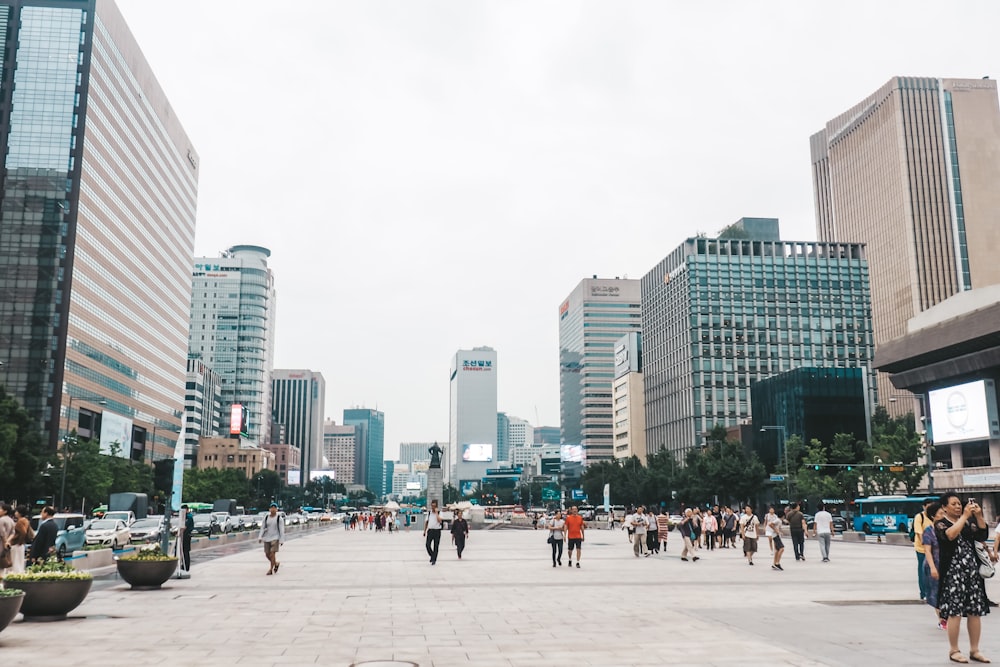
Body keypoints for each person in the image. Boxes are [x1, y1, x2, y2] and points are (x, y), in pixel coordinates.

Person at [935, 493, 989, 664]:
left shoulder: (969, 522)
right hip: (953, 573)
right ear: (944, 507)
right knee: (955, 611)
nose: (958, 506)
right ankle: (954, 650)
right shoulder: (941, 523)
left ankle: (974, 649)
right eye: (953, 504)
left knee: (975, 611)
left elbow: (982, 534)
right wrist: (965, 515)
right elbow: (950, 535)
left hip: (972, 573)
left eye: (959, 504)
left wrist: (978, 515)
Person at [922, 502, 947, 630]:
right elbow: (927, 551)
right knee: (936, 593)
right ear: (933, 516)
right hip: (934, 565)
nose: (943, 515)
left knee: (946, 593)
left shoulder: (946, 529)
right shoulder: (929, 531)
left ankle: (946, 618)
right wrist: (932, 567)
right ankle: (942, 620)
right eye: (941, 513)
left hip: (946, 565)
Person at [913, 497, 935, 602]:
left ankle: (932, 592)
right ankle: (924, 593)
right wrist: (926, 545)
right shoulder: (919, 517)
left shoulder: (935, 516)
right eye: (928, 507)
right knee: (923, 571)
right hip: (921, 549)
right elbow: (919, 532)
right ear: (924, 507)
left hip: (934, 549)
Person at [257, 502, 285, 575]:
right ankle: (276, 563)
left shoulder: (279, 518)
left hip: (275, 538)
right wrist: (260, 537)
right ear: (269, 509)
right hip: (267, 538)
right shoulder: (266, 518)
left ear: (276, 509)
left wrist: (281, 540)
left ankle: (271, 569)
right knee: (267, 554)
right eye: (271, 508)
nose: (273, 509)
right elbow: (262, 528)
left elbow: (282, 530)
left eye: (274, 508)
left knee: (272, 554)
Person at [7, 505, 30, 573]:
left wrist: (19, 541)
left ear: (20, 513)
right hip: (21, 544)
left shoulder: (20, 522)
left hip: (16, 544)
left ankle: (15, 574)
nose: (15, 513)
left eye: (16, 511)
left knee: (15, 561)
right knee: (20, 561)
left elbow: (23, 532)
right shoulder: (26, 520)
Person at [765, 506, 785, 570]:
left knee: (777, 550)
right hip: (776, 536)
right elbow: (770, 524)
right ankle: (777, 563)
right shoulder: (778, 520)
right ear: (783, 516)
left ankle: (774, 563)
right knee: (781, 549)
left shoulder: (779, 520)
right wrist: (776, 530)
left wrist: (780, 531)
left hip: (775, 535)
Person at [424, 499, 443, 565]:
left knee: (436, 546)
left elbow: (440, 521)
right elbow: (426, 522)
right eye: (432, 506)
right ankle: (432, 555)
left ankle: (434, 559)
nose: (433, 507)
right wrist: (424, 531)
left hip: (437, 531)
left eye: (434, 506)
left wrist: (437, 513)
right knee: (427, 545)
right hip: (430, 530)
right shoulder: (429, 513)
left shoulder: (440, 513)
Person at [0, 502, 14, 575]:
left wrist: (5, 542)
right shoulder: (11, 520)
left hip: (1, 544)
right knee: (3, 565)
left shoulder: (1, 520)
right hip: (7, 545)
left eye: (0, 509)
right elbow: (13, 533)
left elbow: (2, 533)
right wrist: (8, 541)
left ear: (5, 511)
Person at [181, 504, 194, 571]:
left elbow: (184, 527)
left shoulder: (189, 517)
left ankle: (186, 566)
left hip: (186, 536)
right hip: (183, 536)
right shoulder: (184, 517)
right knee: (182, 551)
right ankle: (182, 565)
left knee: (185, 551)